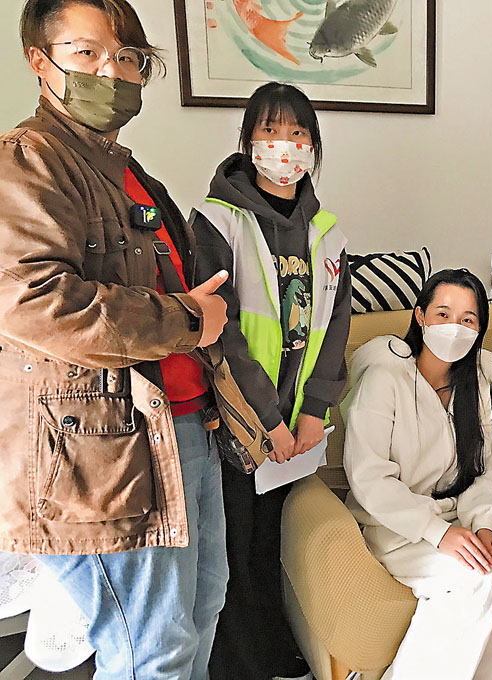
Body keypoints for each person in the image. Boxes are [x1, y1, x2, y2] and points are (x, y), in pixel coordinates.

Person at [0, 1, 234, 678]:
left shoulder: (126, 171)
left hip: (181, 426)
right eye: (87, 53)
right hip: (103, 450)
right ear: (39, 60)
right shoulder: (28, 160)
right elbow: (33, 302)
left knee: (203, 608)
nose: (111, 71)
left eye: (127, 57)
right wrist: (187, 320)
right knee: (149, 650)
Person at [192, 82, 351, 680]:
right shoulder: (216, 221)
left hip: (298, 426)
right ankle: (240, 666)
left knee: (273, 547)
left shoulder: (328, 231)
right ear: (248, 141)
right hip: (238, 423)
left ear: (313, 146)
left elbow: (335, 327)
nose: (284, 144)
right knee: (232, 553)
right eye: (270, 131)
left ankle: (278, 652)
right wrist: (269, 423)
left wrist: (313, 412)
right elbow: (222, 333)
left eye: (297, 133)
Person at [342, 269, 492, 680]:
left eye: (468, 319)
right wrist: (439, 533)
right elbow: (369, 477)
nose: (455, 327)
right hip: (398, 525)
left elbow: (487, 466)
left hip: (461, 512)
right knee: (478, 578)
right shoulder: (385, 377)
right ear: (420, 317)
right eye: (443, 314)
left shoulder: (477, 381)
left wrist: (484, 523)